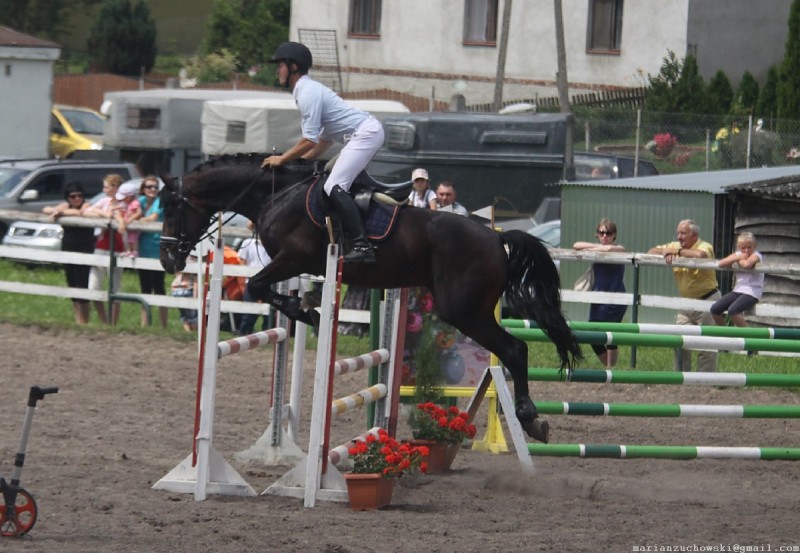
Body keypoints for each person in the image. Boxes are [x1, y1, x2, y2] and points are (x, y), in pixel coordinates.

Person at [261, 41, 384, 264]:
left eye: (280, 66)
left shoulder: (307, 93)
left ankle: (362, 245)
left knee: (334, 185)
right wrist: (298, 162)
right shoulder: (305, 91)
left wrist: (283, 159)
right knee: (327, 175)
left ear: (293, 67)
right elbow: (324, 140)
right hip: (363, 134)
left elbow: (309, 140)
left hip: (365, 134)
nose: (277, 71)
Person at [648, 219, 720, 372]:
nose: (679, 237)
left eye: (683, 233)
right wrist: (666, 252)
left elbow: (700, 255)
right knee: (680, 342)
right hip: (686, 304)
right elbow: (651, 251)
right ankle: (681, 380)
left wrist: (677, 252)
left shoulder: (705, 246)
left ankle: (705, 381)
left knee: (707, 346)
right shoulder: (675, 246)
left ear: (694, 235)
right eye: (678, 233)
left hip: (707, 301)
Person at [572, 218, 627, 367]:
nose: (604, 236)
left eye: (608, 233)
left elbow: (609, 250)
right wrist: (596, 247)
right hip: (597, 297)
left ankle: (611, 369)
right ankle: (608, 367)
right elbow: (576, 245)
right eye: (601, 233)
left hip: (615, 297)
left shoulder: (619, 248)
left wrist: (593, 249)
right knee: (593, 334)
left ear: (614, 235)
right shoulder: (597, 247)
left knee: (610, 335)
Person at [42, 182, 95, 324]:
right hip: (68, 247)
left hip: (84, 248)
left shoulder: (86, 205)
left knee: (83, 284)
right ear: (67, 198)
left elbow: (80, 213)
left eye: (80, 195)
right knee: (72, 283)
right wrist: (56, 210)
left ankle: (84, 321)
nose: (77, 199)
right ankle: (78, 320)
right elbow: (46, 209)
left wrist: (60, 213)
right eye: (73, 196)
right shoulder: (65, 206)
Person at [85, 173, 125, 325]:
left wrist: (110, 215)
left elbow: (120, 217)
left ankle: (113, 323)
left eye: (106, 187)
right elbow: (87, 211)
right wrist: (103, 213)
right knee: (93, 287)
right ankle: (104, 321)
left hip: (117, 247)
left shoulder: (124, 203)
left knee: (115, 287)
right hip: (101, 245)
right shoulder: (105, 201)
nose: (104, 190)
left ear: (115, 187)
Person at [711, 232, 763, 329]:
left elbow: (747, 265)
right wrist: (739, 257)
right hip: (738, 289)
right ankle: (726, 333)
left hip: (752, 292)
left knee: (733, 310)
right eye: (743, 248)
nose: (746, 250)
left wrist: (738, 260)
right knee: (715, 309)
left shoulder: (756, 255)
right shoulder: (739, 255)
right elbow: (721, 264)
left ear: (754, 246)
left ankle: (748, 335)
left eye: (749, 247)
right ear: (738, 247)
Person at [136, 176, 168, 328]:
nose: (153, 189)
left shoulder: (160, 201)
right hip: (143, 247)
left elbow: (153, 217)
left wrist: (133, 221)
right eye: (149, 187)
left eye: (155, 187)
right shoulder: (140, 202)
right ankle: (144, 324)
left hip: (157, 248)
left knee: (159, 287)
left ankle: (163, 324)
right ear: (143, 189)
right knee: (145, 287)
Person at [237, 220, 272, 336]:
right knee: (248, 314)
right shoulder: (248, 243)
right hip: (251, 282)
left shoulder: (272, 244)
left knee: (269, 314)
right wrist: (242, 283)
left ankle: (267, 335)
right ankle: (244, 334)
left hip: (268, 282)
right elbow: (242, 262)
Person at [114, 181, 142, 257]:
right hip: (127, 224)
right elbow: (119, 207)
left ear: (130, 196)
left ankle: (135, 251)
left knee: (133, 239)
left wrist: (131, 218)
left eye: (124, 197)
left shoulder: (135, 203)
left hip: (132, 224)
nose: (123, 199)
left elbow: (139, 212)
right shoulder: (126, 203)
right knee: (127, 239)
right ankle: (128, 251)